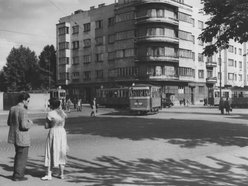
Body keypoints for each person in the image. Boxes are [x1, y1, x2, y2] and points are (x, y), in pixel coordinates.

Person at [7, 92, 33, 181]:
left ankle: (16, 174)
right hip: (22, 137)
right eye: (28, 101)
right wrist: (30, 123)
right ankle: (18, 176)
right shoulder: (23, 110)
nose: (28, 103)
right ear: (24, 100)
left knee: (18, 155)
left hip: (14, 135)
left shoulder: (12, 108)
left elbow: (9, 123)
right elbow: (24, 126)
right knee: (22, 157)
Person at [41, 98, 68, 180]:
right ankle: (62, 173)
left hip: (54, 131)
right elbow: (63, 124)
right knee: (62, 150)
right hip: (62, 132)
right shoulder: (62, 113)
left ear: (52, 105)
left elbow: (46, 126)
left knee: (50, 150)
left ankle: (49, 174)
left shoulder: (50, 113)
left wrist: (51, 124)